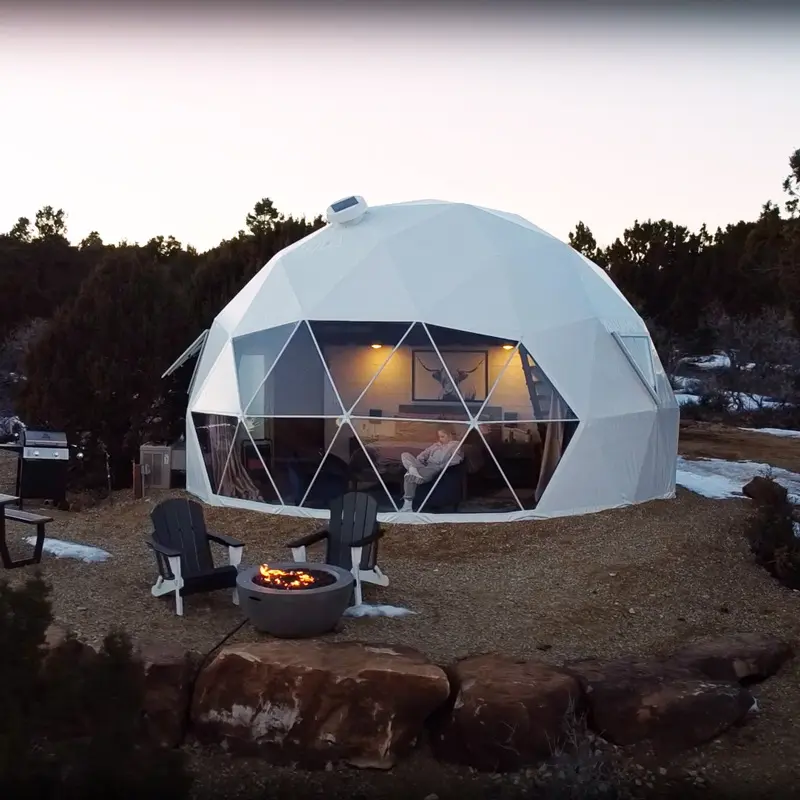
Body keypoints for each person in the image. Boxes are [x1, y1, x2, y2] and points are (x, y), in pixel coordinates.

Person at [399, 425, 463, 512]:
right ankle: (413, 471)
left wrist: (440, 466)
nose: (440, 439)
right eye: (439, 436)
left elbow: (453, 460)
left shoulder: (455, 446)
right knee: (405, 454)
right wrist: (421, 461)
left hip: (433, 469)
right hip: (424, 466)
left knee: (409, 477)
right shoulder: (436, 445)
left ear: (450, 435)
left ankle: (407, 507)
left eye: (442, 436)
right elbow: (421, 456)